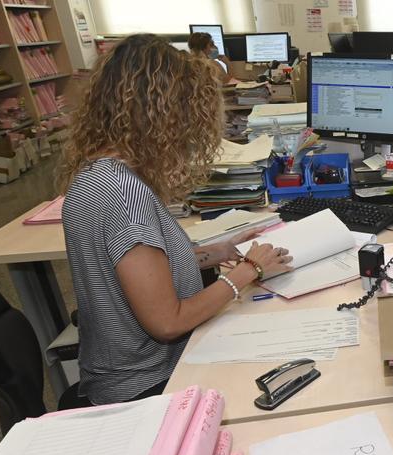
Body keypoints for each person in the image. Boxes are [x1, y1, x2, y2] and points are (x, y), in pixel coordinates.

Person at [59, 35, 292, 406]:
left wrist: (218, 252)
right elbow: (167, 322)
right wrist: (247, 271)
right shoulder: (123, 193)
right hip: (149, 387)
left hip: (130, 372)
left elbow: (142, 268)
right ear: (166, 117)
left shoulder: (96, 173)